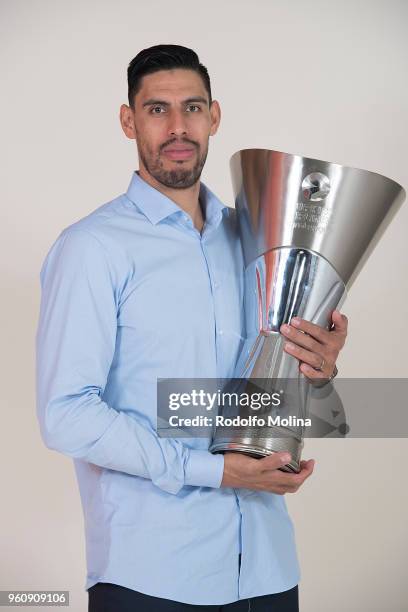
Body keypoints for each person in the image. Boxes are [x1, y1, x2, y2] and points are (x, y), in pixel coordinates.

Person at [35, 44, 348, 612]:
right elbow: (66, 415)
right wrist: (212, 471)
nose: (178, 127)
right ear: (129, 121)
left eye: (193, 108)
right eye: (157, 110)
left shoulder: (258, 241)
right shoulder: (92, 248)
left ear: (215, 116)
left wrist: (318, 369)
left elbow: (276, 398)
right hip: (152, 578)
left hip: (268, 570)